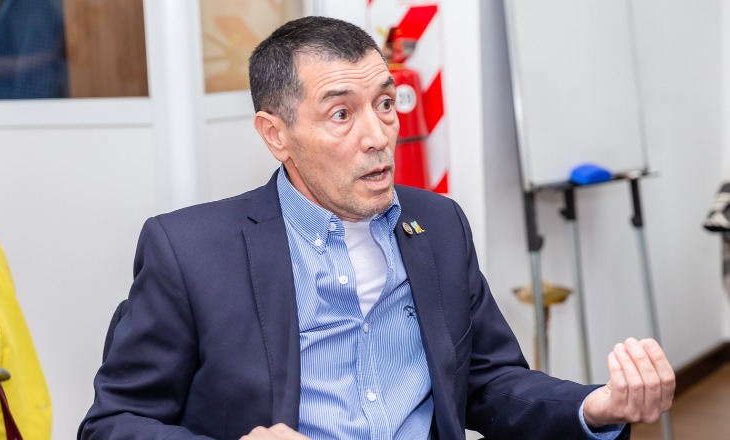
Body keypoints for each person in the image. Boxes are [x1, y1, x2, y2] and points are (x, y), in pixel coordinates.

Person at [79, 16, 674, 439]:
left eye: (386, 104)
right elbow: (113, 423)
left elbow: (487, 382)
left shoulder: (437, 224)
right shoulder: (190, 251)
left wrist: (594, 406)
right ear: (275, 134)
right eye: (341, 113)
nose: (378, 136)